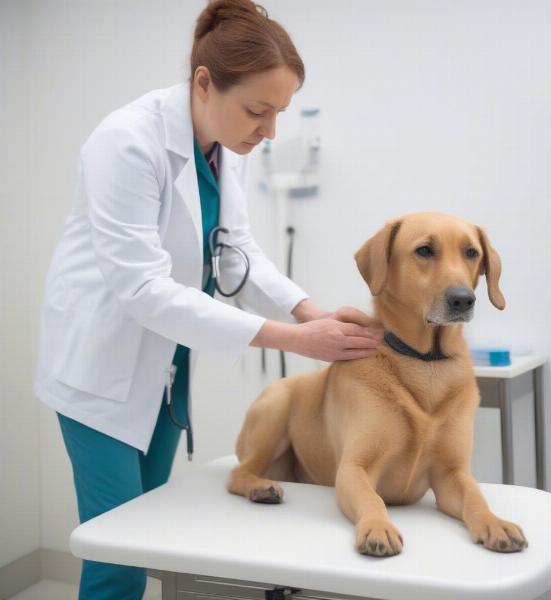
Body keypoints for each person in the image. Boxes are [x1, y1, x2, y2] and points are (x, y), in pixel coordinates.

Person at [34, 0, 382, 597]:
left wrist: (309, 312)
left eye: (279, 114)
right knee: (117, 554)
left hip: (166, 370)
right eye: (258, 110)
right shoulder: (126, 141)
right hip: (101, 375)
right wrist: (296, 340)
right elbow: (142, 288)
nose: (269, 131)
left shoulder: (225, 146)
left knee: (153, 540)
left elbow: (235, 255)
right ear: (204, 83)